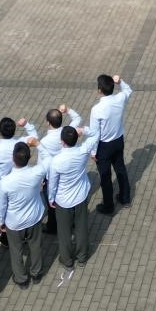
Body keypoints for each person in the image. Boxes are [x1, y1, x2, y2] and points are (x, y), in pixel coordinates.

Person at [48, 125, 97, 278]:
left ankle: (67, 261)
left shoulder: (57, 161)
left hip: (63, 201)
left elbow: (53, 183)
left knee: (64, 233)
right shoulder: (83, 151)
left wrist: (51, 198)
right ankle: (82, 257)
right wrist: (84, 130)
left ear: (62, 142)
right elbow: (96, 135)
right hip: (80, 196)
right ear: (77, 138)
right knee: (81, 227)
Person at [0, 141, 47, 287]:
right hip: (34, 218)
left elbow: (1, 205)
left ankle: (21, 279)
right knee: (35, 246)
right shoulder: (37, 172)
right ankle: (36, 273)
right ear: (29, 157)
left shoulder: (5, 182)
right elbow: (48, 158)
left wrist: (1, 222)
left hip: (14, 222)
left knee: (16, 250)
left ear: (13, 158)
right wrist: (38, 144)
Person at [88, 74, 133, 214]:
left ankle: (108, 206)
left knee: (105, 176)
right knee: (120, 168)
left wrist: (93, 152)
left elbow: (95, 133)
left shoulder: (96, 109)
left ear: (99, 90)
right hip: (118, 141)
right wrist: (120, 81)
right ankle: (125, 197)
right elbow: (128, 90)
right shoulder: (119, 99)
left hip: (104, 147)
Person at [36, 105, 84, 234]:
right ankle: (71, 220)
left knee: (52, 204)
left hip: (51, 174)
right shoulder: (68, 131)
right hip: (67, 169)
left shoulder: (44, 141)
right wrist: (68, 110)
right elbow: (77, 118)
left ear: (47, 122)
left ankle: (53, 226)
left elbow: (41, 162)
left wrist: (40, 179)